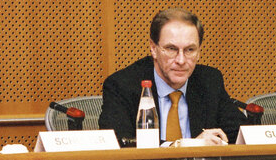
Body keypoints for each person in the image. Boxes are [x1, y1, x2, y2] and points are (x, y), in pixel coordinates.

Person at [99, 8, 246, 145]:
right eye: (171, 49)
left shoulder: (209, 81)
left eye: (190, 50)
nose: (181, 60)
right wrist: (189, 145)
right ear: (153, 48)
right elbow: (121, 143)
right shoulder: (122, 85)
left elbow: (241, 134)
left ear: (199, 51)